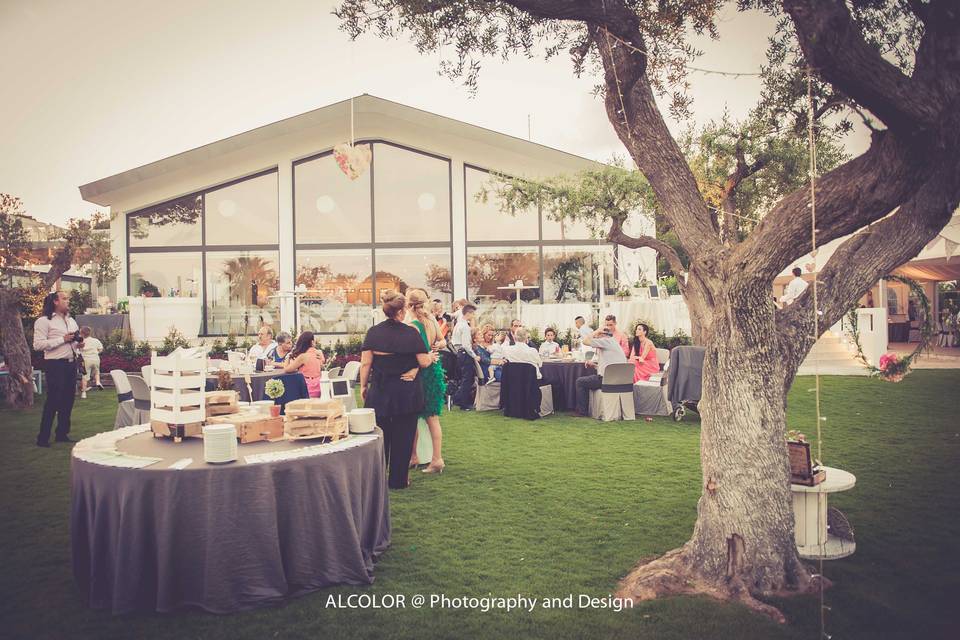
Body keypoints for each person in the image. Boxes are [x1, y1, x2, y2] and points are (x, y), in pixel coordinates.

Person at [360, 290, 436, 489]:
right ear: (402, 311)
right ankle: (399, 480)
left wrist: (363, 386)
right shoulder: (411, 333)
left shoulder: (373, 332)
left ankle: (377, 478)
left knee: (380, 436)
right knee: (404, 436)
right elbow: (424, 361)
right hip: (406, 392)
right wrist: (423, 361)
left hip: (381, 390)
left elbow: (365, 364)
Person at [33, 291, 82, 447]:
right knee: (53, 401)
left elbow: (73, 342)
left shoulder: (72, 321)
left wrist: (78, 345)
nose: (68, 301)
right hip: (55, 365)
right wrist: (63, 339)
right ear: (55, 301)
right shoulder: (44, 321)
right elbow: (38, 345)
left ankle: (62, 434)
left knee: (68, 400)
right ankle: (43, 438)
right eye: (65, 299)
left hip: (71, 364)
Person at [406, 288, 447, 474]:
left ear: (408, 304)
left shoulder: (412, 323)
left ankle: (425, 458)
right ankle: (428, 457)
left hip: (420, 372)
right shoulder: (431, 320)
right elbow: (442, 341)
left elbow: (416, 354)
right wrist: (438, 344)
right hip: (434, 371)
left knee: (415, 417)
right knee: (431, 418)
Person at [574, 327, 628, 417]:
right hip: (618, 380)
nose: (596, 337)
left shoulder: (605, 341)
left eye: (598, 335)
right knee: (589, 379)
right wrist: (595, 365)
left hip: (607, 381)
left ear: (602, 335)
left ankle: (582, 412)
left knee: (580, 382)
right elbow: (610, 366)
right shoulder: (614, 342)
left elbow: (585, 341)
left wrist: (597, 331)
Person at [450, 303, 480, 410]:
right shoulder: (465, 327)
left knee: (465, 378)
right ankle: (462, 402)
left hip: (459, 352)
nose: (473, 316)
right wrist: (474, 355)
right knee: (467, 379)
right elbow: (467, 345)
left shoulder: (458, 324)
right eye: (473, 314)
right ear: (468, 313)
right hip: (465, 353)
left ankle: (458, 399)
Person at [283, 331, 326, 397]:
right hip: (319, 387)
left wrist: (287, 357)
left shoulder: (303, 357)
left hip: (307, 388)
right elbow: (322, 363)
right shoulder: (318, 353)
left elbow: (287, 369)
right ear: (311, 342)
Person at [78, 326, 104, 399]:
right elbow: (101, 349)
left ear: (82, 333)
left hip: (86, 360)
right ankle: (98, 382)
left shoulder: (81, 342)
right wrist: (96, 353)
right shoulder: (95, 340)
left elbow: (78, 351)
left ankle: (84, 393)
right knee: (96, 372)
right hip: (95, 358)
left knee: (85, 376)